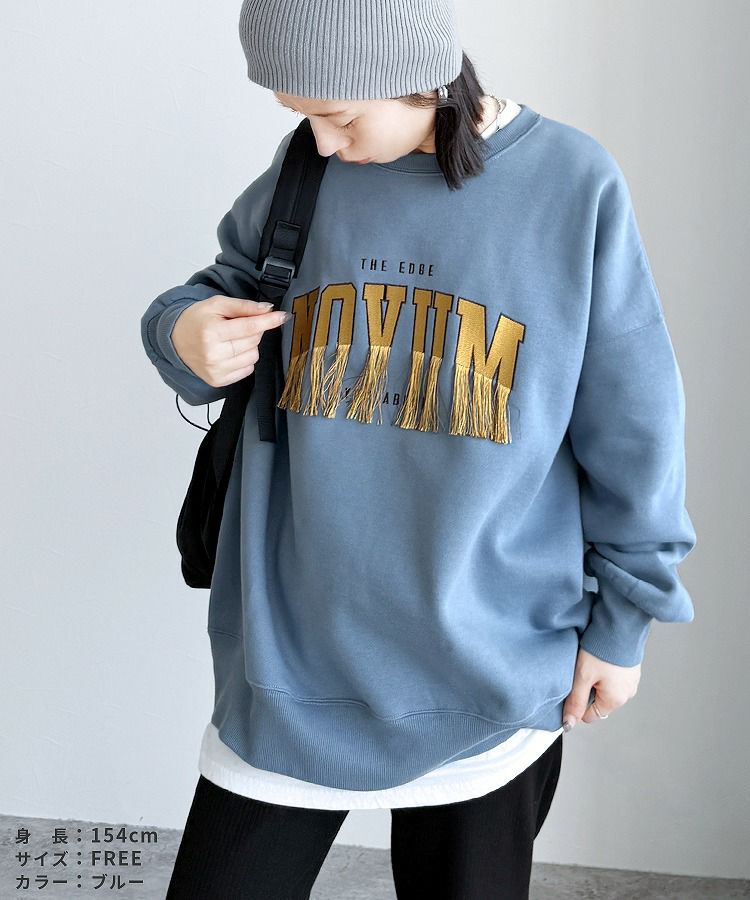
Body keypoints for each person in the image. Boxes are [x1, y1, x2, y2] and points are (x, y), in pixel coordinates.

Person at [140, 1, 697, 897]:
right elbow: (213, 293)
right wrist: (182, 331)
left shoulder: (570, 184)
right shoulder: (305, 173)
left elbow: (635, 427)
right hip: (293, 663)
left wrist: (624, 625)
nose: (322, 143)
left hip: (491, 669)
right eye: (301, 117)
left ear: (418, 76)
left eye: (339, 116)